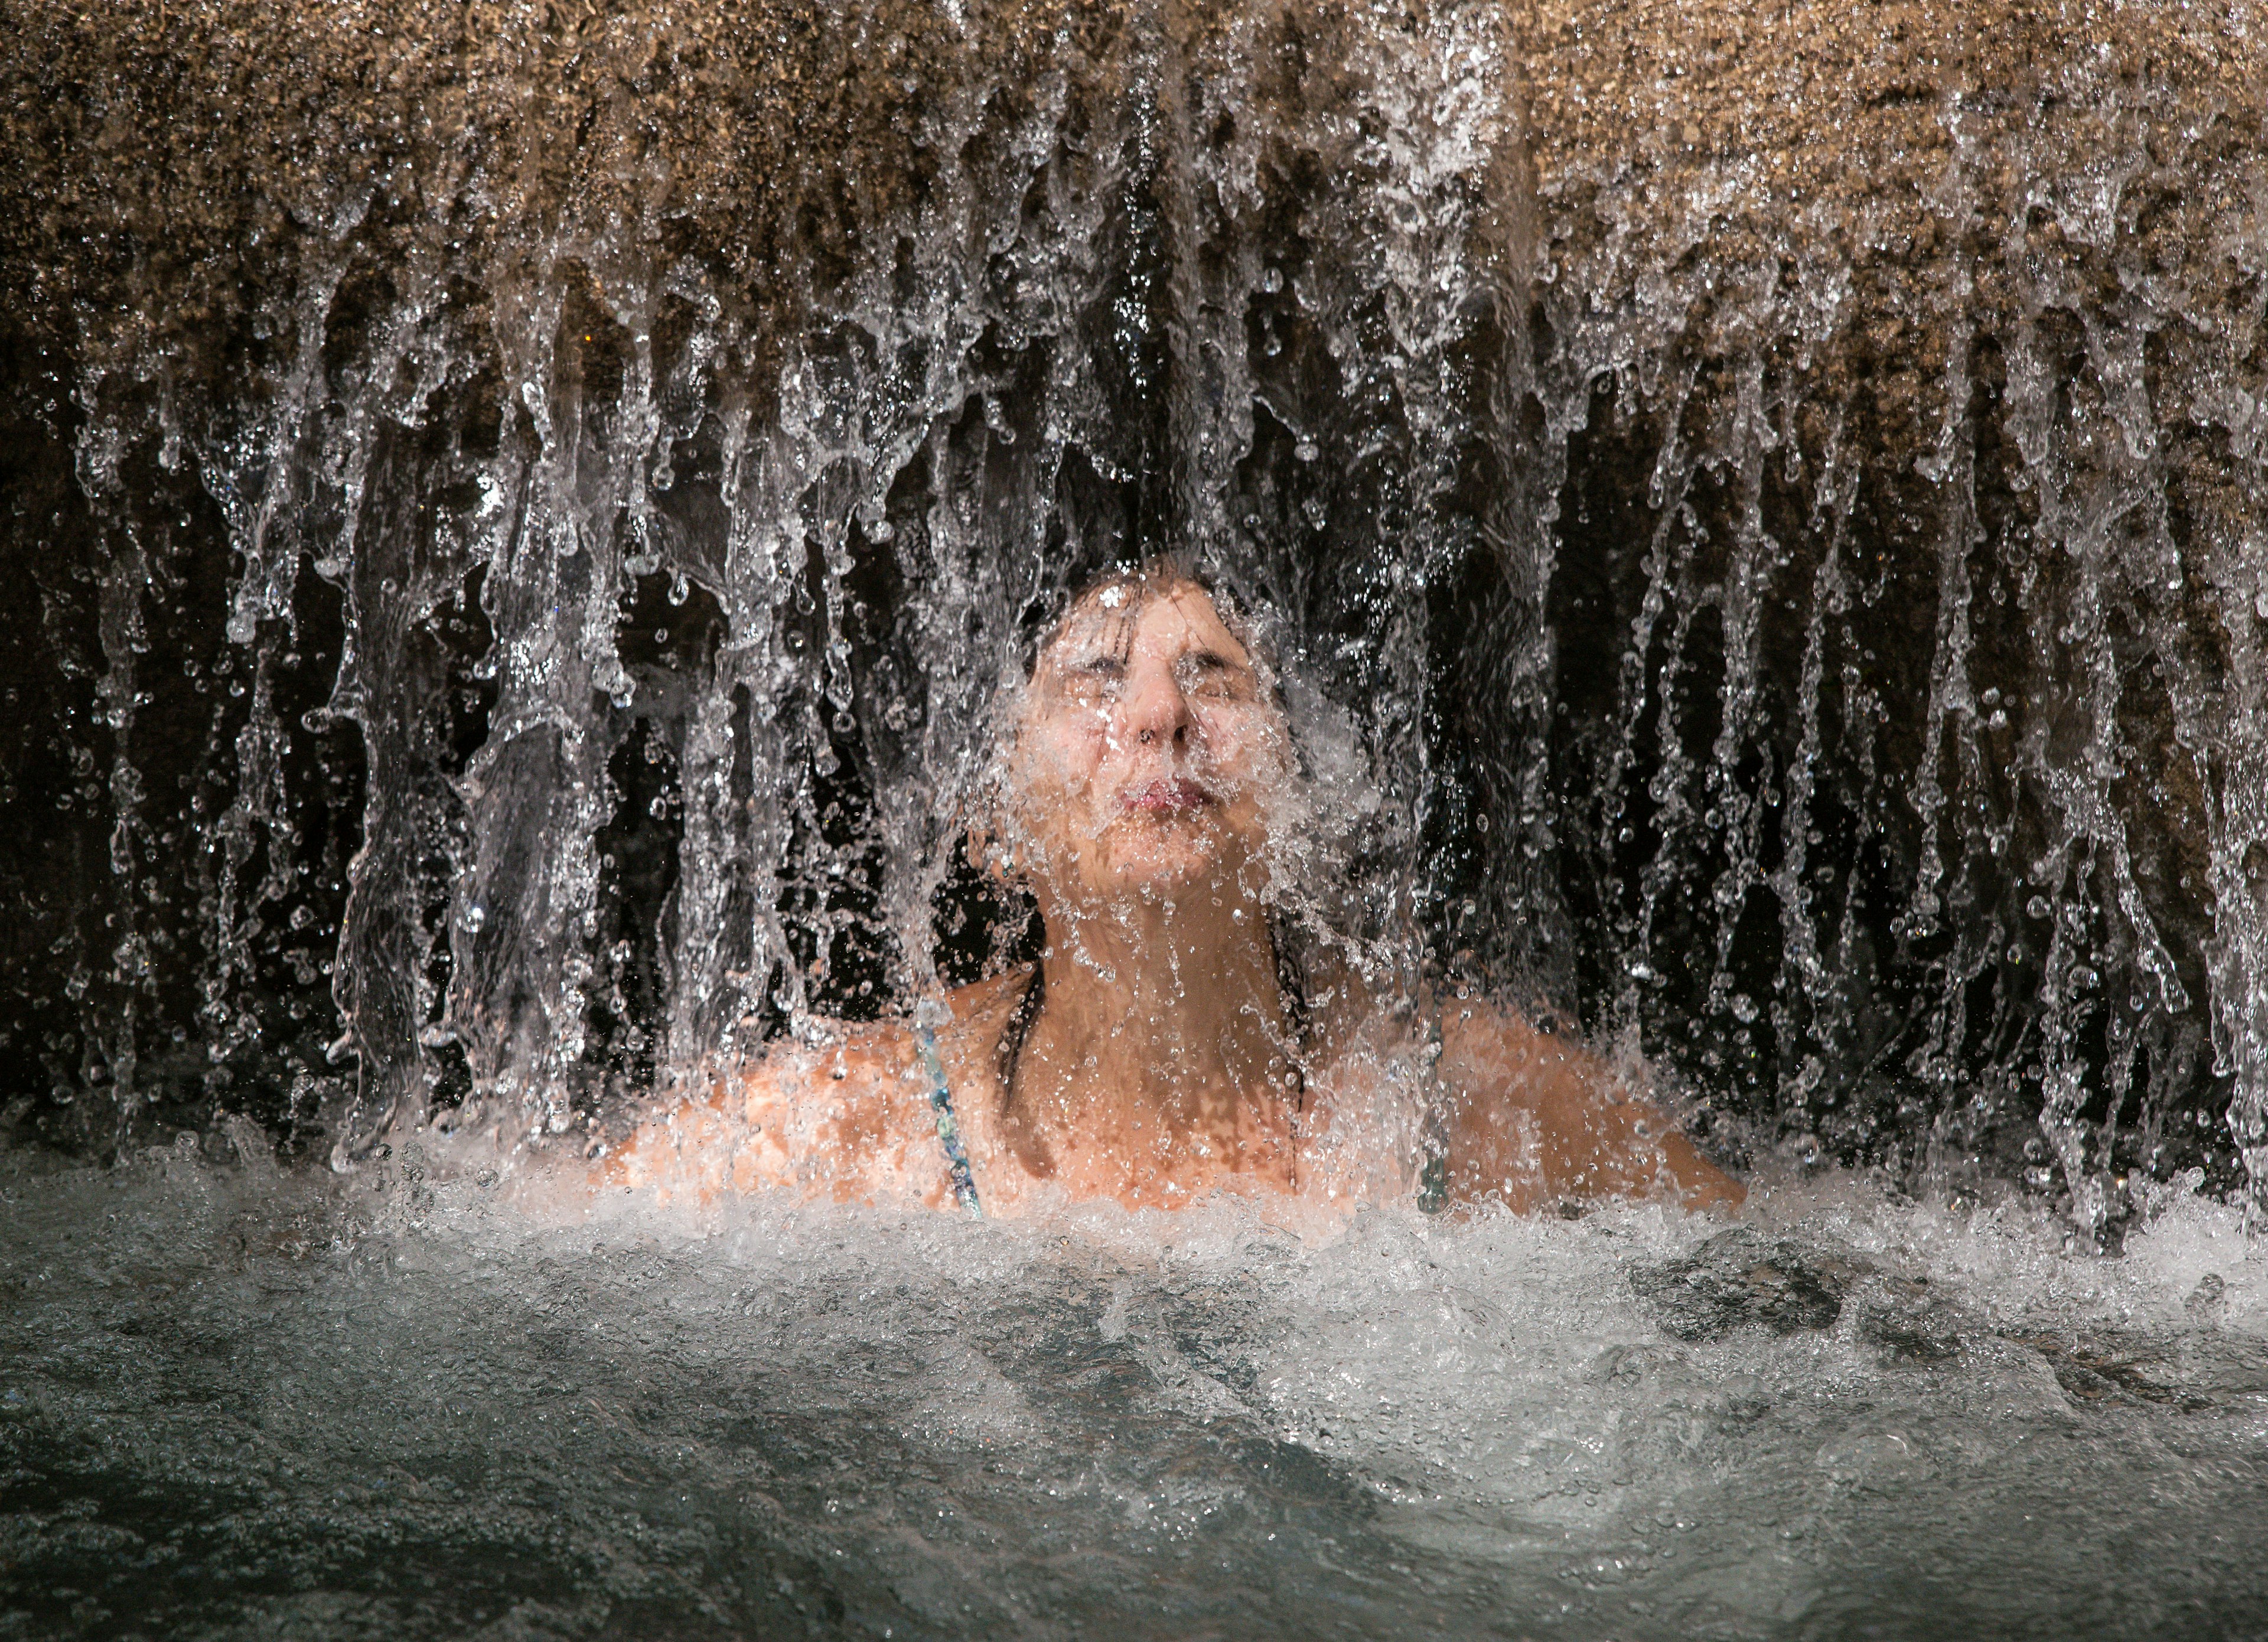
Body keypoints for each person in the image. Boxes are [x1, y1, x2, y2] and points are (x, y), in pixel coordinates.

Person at [605, 562, 1741, 1217]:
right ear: (993, 827)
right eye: (1096, 681)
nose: (1156, 718)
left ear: (1303, 795)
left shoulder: (1485, 1110)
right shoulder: (855, 1133)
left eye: (1214, 680)